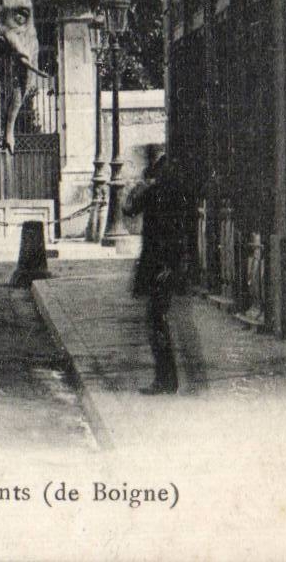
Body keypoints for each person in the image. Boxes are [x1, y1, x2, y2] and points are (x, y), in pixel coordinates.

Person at [124, 150, 190, 394]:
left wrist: (138, 187)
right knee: (158, 321)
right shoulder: (178, 196)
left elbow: (129, 209)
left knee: (156, 323)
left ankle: (165, 379)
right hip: (167, 266)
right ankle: (166, 379)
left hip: (157, 267)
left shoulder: (153, 192)